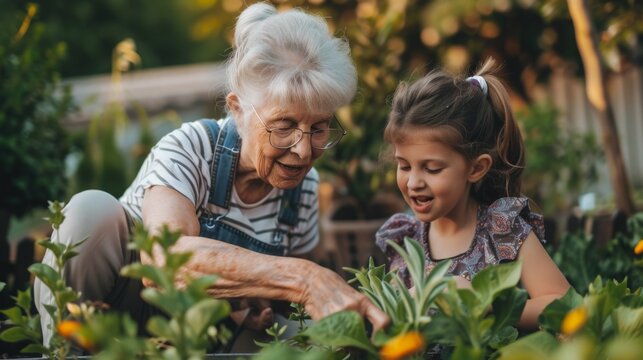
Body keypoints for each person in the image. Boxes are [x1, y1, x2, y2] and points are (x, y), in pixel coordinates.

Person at [35, 2, 388, 348]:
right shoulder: (192, 148)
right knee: (90, 211)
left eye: (320, 128)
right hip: (121, 311)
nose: (304, 151)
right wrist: (303, 278)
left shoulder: (304, 188)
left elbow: (290, 305)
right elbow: (165, 261)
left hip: (201, 337)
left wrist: (253, 305)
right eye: (284, 126)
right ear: (238, 110)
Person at [375, 58, 570, 329]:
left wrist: (483, 303)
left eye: (432, 169)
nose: (413, 182)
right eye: (404, 165)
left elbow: (562, 303)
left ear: (476, 168)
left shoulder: (502, 230)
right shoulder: (407, 240)